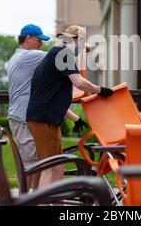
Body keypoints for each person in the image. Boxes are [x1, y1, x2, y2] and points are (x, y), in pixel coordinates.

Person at [26, 25, 113, 187]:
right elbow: (79, 82)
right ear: (78, 40)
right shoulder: (63, 54)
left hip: (47, 118)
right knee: (49, 167)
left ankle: (56, 200)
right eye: (83, 42)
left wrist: (75, 118)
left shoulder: (57, 54)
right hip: (43, 119)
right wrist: (100, 90)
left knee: (58, 165)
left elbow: (51, 98)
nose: (82, 49)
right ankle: (44, 203)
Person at [7, 24, 49, 191]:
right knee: (31, 162)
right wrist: (81, 47)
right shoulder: (28, 56)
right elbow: (58, 57)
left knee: (33, 161)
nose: (41, 44)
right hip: (22, 117)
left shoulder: (19, 57)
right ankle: (27, 200)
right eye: (39, 40)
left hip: (21, 115)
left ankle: (32, 198)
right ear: (28, 38)